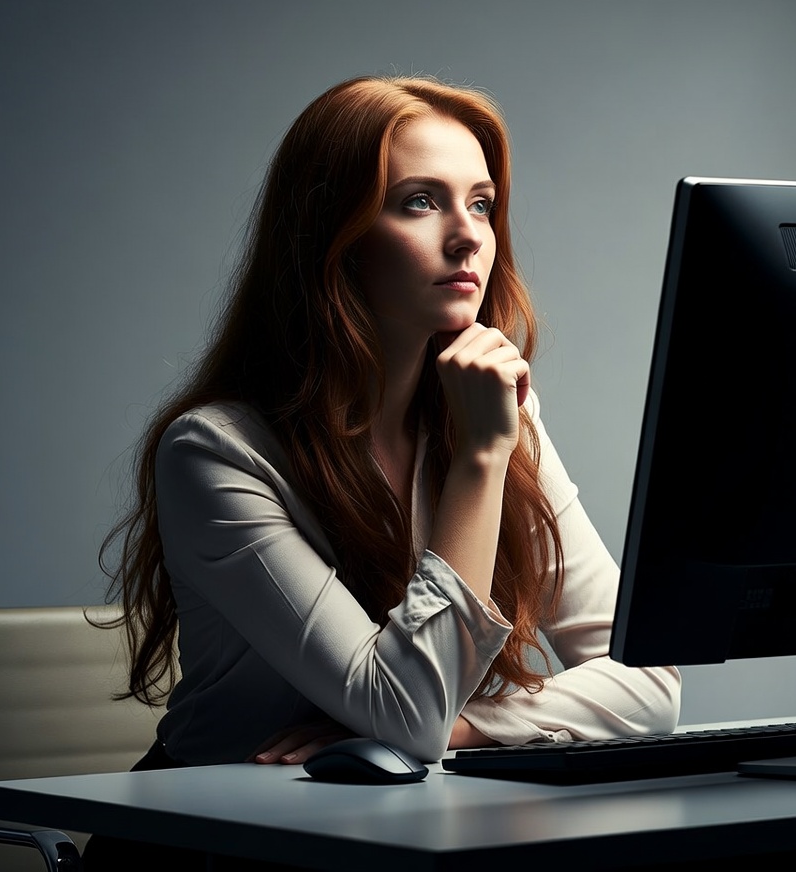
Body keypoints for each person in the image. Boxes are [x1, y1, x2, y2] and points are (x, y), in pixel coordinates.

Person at [86, 74, 680, 868]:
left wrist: (462, 728)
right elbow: (406, 715)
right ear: (334, 237)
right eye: (420, 202)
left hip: (394, 828)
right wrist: (480, 458)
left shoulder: (495, 414)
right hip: (212, 842)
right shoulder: (218, 452)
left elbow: (648, 680)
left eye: (481, 204)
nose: (468, 237)